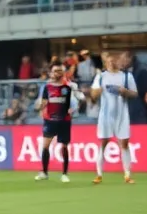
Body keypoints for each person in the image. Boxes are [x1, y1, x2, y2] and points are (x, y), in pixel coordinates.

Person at [91, 52, 137, 185]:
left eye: (114, 61)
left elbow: (135, 94)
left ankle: (127, 174)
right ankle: (99, 174)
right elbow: (93, 95)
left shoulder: (127, 76)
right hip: (105, 115)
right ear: (106, 63)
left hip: (122, 114)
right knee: (103, 143)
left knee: (124, 143)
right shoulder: (101, 77)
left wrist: (125, 92)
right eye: (109, 62)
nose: (112, 63)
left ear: (118, 62)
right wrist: (96, 92)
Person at [34, 62, 80, 183]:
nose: (58, 73)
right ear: (51, 73)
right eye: (56, 71)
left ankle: (64, 173)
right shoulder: (47, 87)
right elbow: (43, 102)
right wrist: (40, 106)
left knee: (64, 146)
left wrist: (72, 109)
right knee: (45, 146)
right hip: (50, 120)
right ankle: (44, 172)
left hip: (64, 120)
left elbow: (76, 102)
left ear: (63, 72)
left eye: (60, 70)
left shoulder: (69, 87)